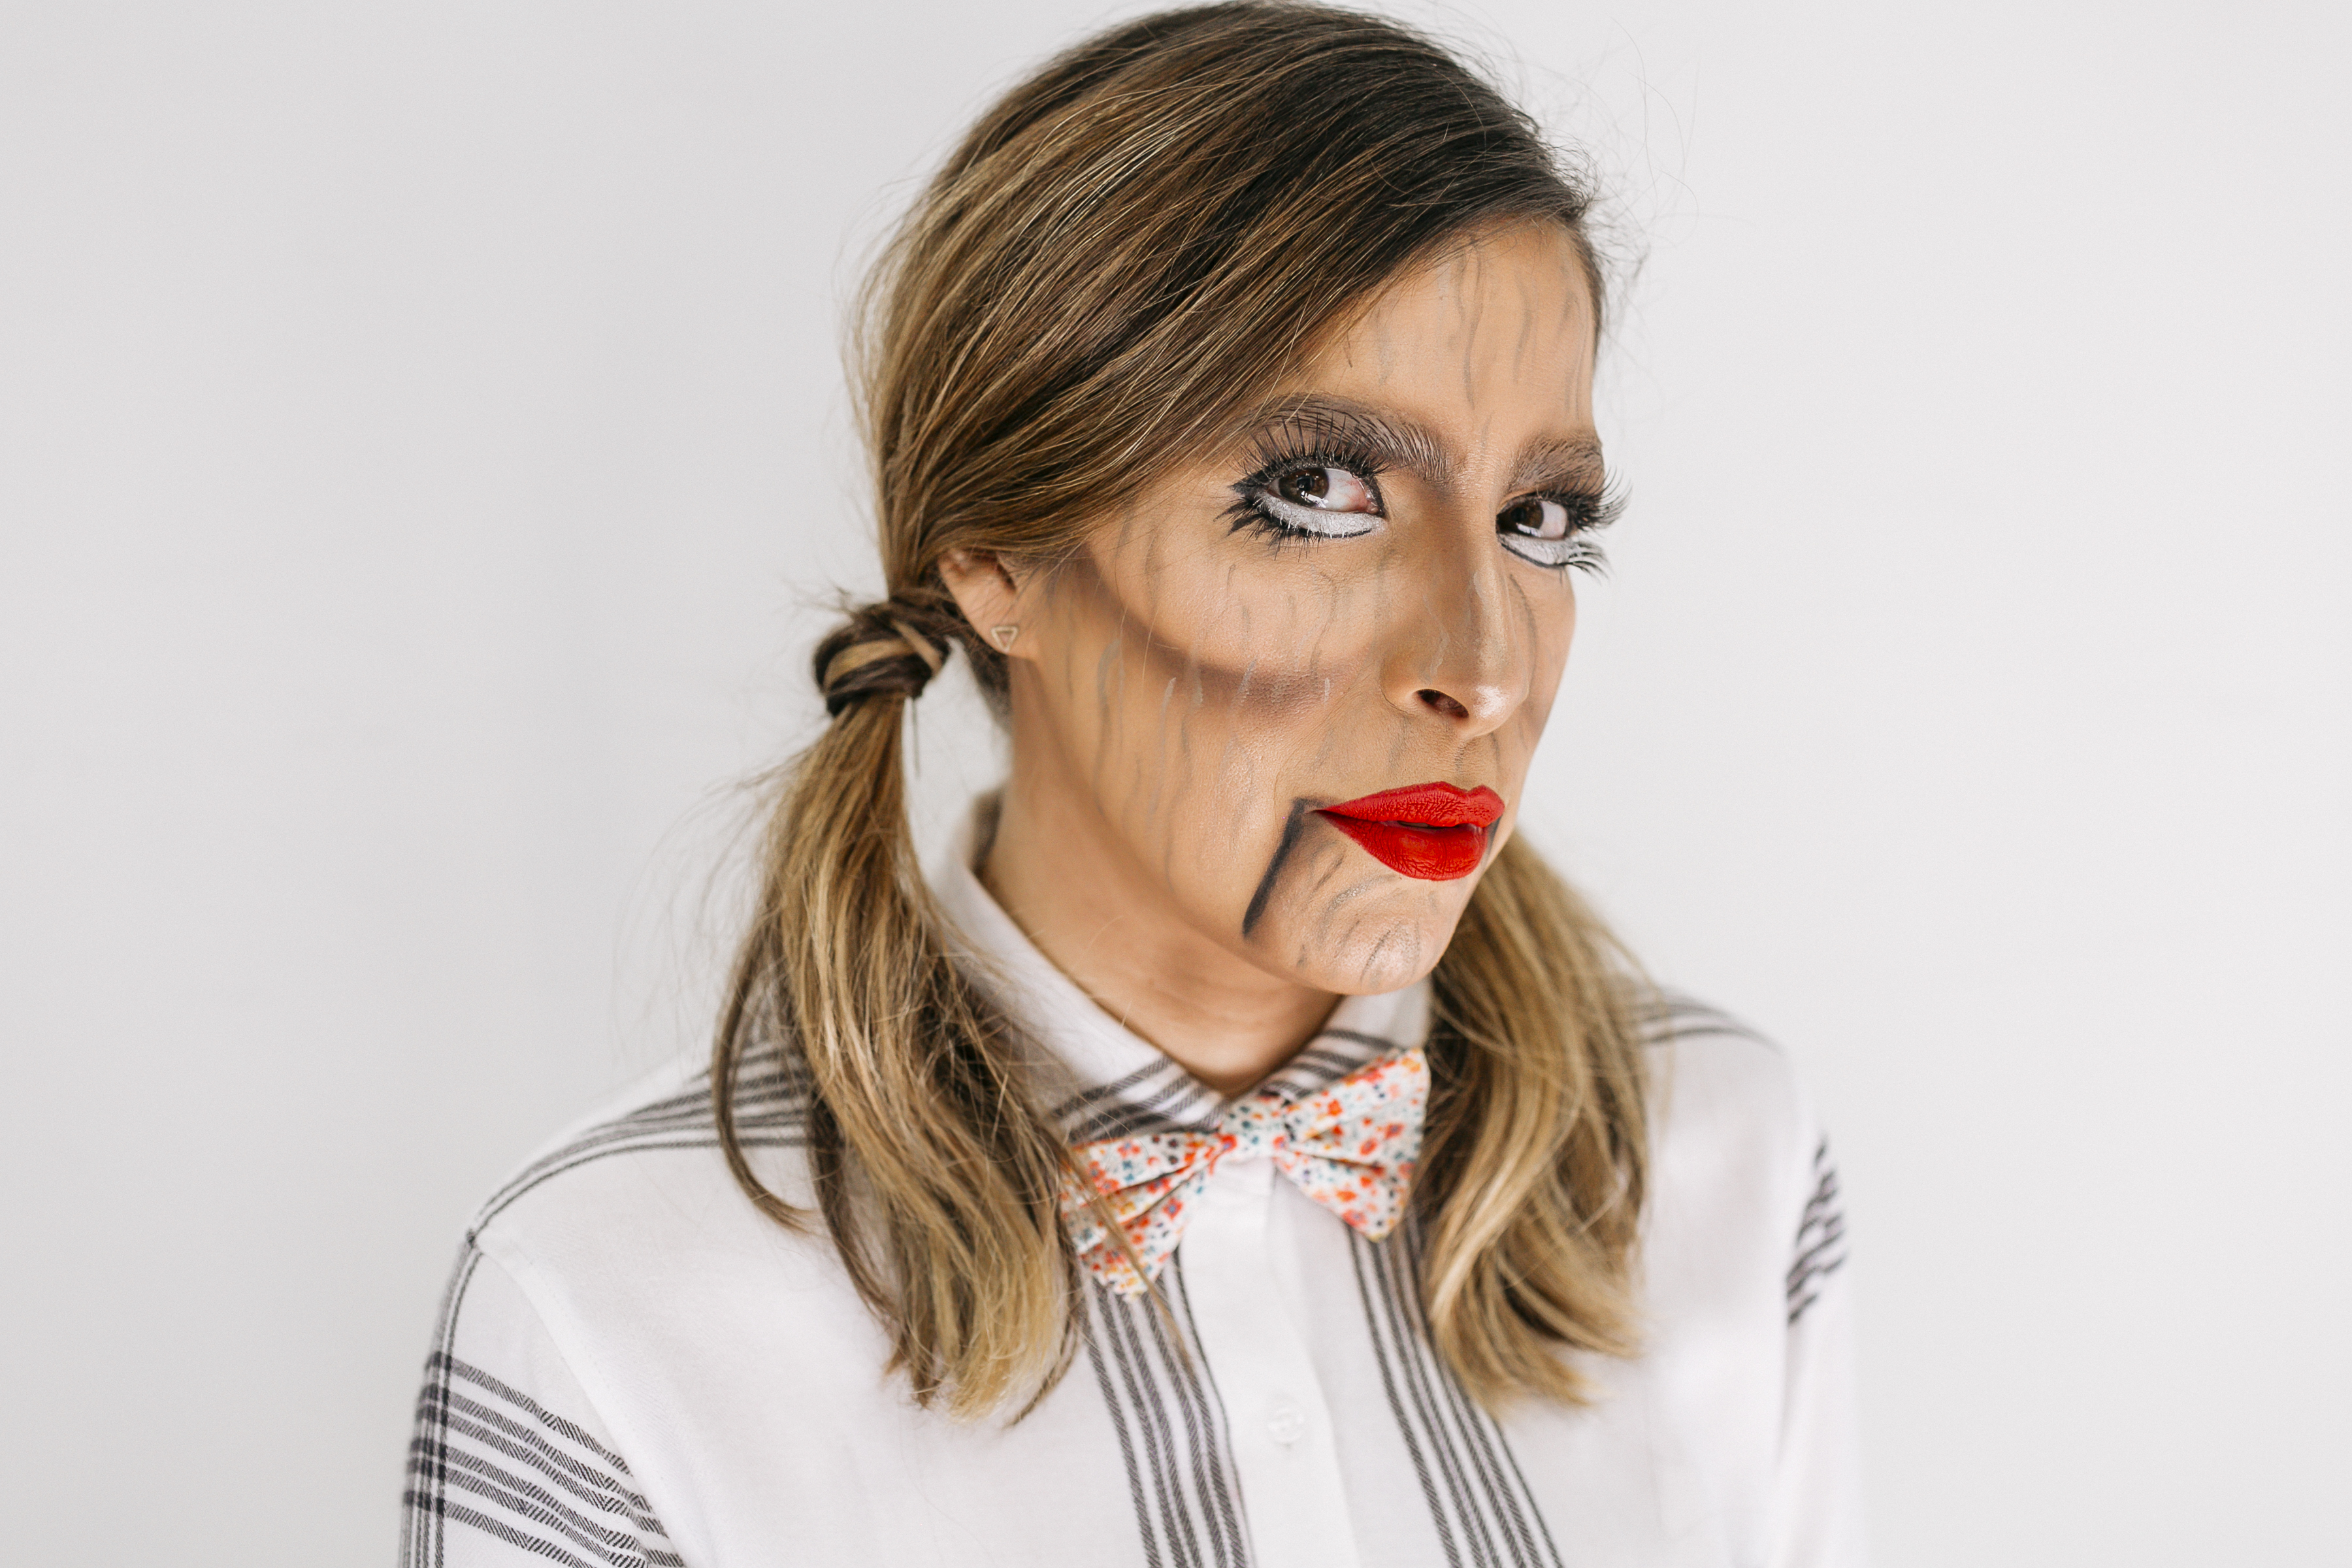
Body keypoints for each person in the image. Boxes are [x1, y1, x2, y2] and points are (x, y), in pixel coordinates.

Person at [399, 5, 1863, 1564]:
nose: (1485, 669)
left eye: (1540, 520)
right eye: (1319, 491)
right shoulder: (610, 1308)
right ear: (997, 556)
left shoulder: (1719, 1153)